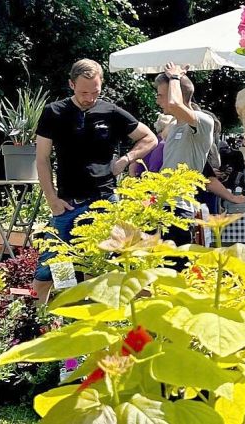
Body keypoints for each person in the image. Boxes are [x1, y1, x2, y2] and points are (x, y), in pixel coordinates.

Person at [32, 59, 157, 301]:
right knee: (51, 268)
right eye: (83, 92)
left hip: (105, 201)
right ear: (71, 84)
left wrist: (126, 159)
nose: (89, 97)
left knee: (99, 267)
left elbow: (149, 138)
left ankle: (98, 320)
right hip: (68, 204)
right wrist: (52, 199)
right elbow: (42, 158)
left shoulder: (110, 112)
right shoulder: (54, 112)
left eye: (95, 92)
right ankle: (40, 323)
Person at [154, 63, 215, 246]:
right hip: (161, 206)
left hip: (180, 208)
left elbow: (175, 103)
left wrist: (174, 77)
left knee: (177, 269)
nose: (158, 101)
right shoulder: (173, 127)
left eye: (161, 96)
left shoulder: (203, 121)